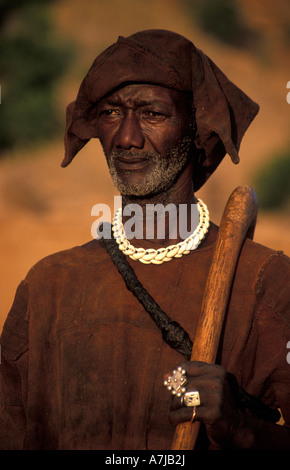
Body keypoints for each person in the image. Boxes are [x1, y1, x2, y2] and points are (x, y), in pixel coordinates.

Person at [0, 29, 290, 450]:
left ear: (196, 128)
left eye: (151, 114)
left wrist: (240, 428)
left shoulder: (265, 280)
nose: (127, 138)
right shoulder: (48, 286)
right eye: (112, 114)